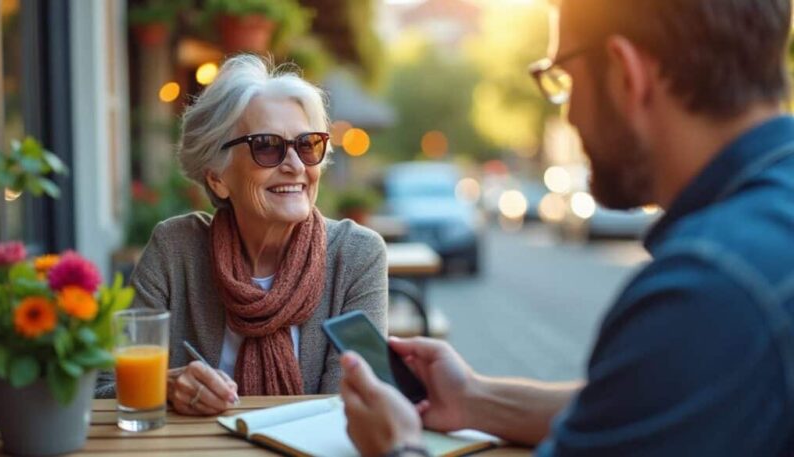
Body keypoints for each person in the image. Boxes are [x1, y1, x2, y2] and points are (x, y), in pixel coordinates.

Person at [340, 0, 794, 455]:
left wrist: (398, 446)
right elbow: (654, 404)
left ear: (625, 73)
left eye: (565, 79)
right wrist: (475, 399)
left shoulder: (708, 289)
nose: (569, 115)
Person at [96, 55, 388, 416]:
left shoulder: (357, 254)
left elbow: (359, 404)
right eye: (266, 145)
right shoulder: (175, 250)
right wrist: (165, 386)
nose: (295, 165)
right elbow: (101, 389)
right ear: (217, 177)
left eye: (307, 144)